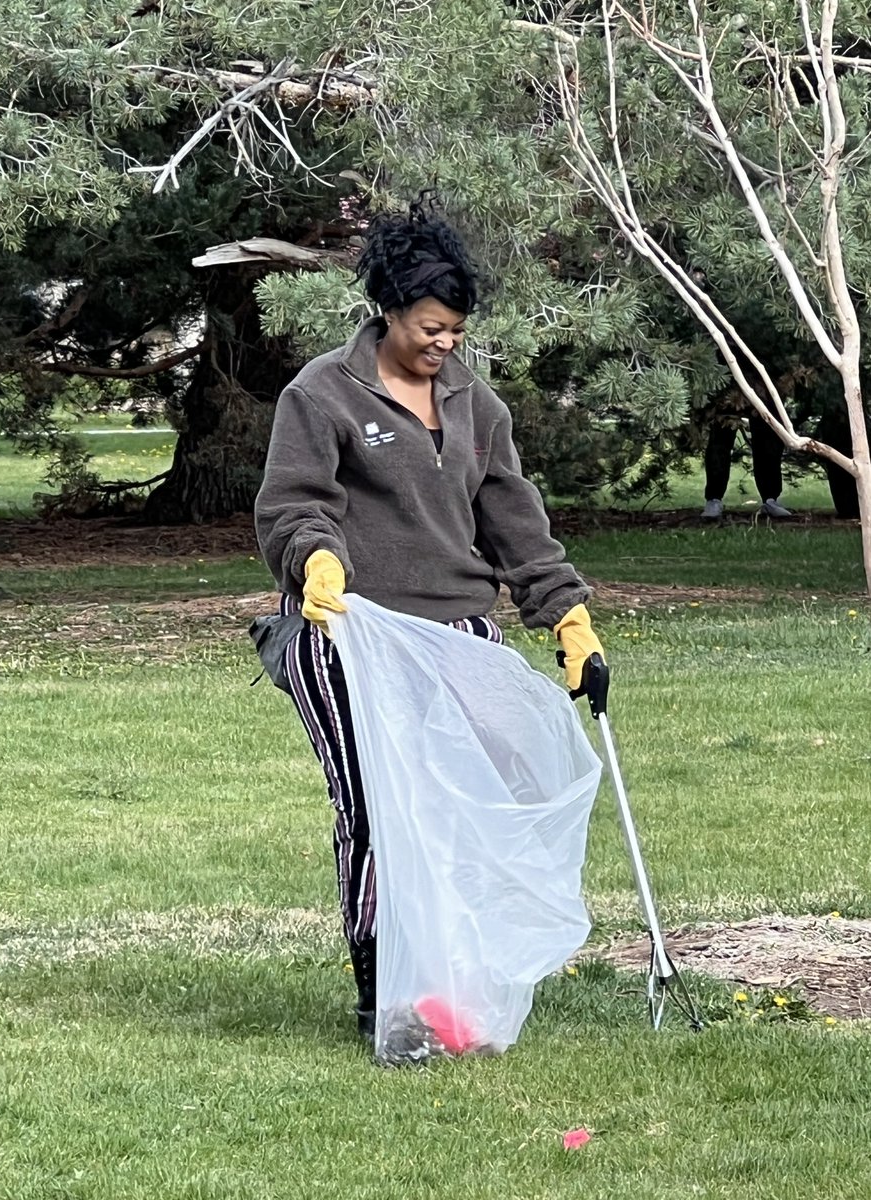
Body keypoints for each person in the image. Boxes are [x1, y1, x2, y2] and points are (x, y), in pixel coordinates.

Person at [254, 201, 604, 1043]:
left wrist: (567, 616)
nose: (445, 343)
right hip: (348, 631)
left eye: (455, 330)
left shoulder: (475, 403)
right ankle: (390, 995)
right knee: (378, 809)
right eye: (431, 327)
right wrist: (317, 561)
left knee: (486, 797)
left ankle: (452, 981)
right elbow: (293, 504)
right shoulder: (324, 393)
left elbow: (513, 518)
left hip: (458, 633)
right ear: (389, 310)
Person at [701, 402, 792, 520]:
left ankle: (771, 500)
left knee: (768, 439)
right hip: (730, 388)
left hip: (762, 388)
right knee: (720, 437)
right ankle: (713, 499)